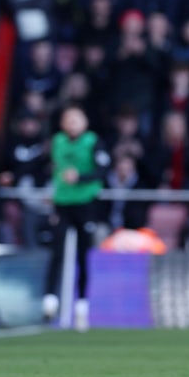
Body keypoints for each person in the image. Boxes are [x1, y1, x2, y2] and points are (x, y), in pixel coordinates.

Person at [42, 103, 110, 331]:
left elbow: (102, 171)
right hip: (62, 204)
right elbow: (43, 164)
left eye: (76, 119)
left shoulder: (93, 142)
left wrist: (79, 177)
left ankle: (82, 306)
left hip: (85, 204)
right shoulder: (57, 142)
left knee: (83, 255)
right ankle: (50, 298)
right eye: (67, 119)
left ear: (85, 122)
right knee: (57, 250)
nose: (71, 123)